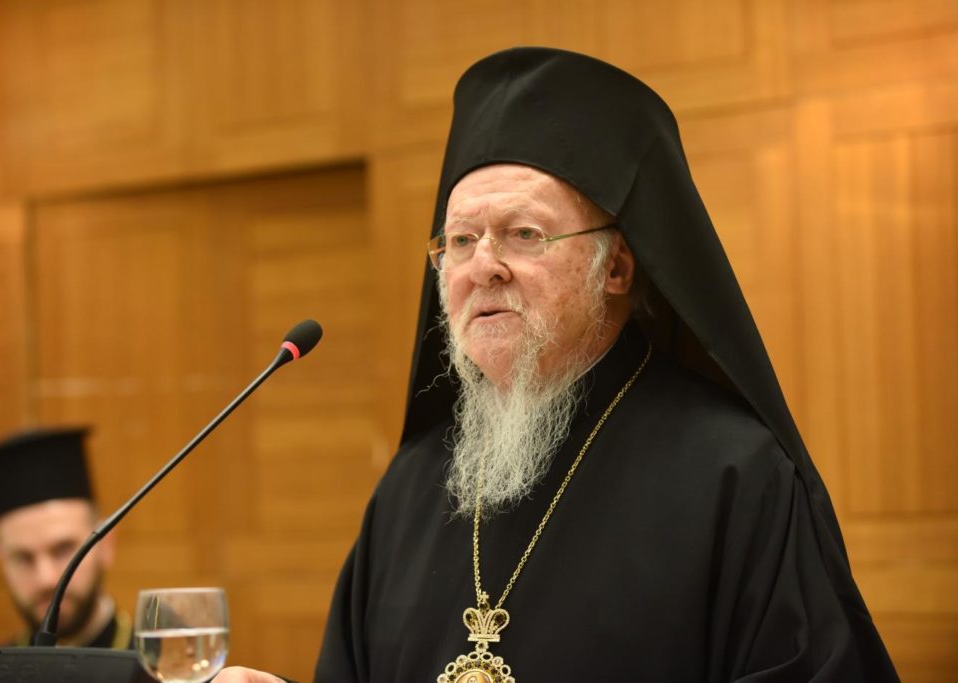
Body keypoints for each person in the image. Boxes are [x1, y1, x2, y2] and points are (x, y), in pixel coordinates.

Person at [216, 46, 899, 682]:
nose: (484, 265)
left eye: (524, 233)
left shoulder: (736, 476)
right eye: (460, 240)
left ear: (619, 267)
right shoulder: (412, 485)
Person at [0, 427, 131, 649]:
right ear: (2, 561)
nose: (46, 579)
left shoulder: (168, 672)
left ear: (106, 545)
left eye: (63, 550)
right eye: (23, 558)